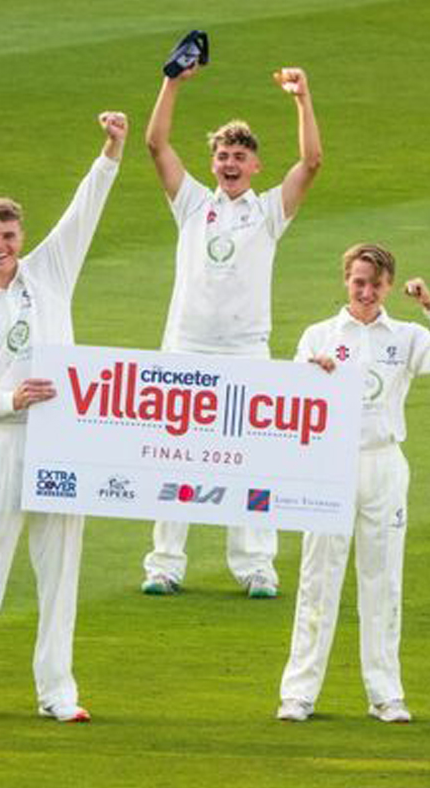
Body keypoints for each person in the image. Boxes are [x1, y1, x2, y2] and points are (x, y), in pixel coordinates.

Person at [0, 113, 126, 723]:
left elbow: (83, 210)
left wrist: (112, 149)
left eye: (9, 235)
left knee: (61, 572)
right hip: (1, 443)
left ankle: (58, 692)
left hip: (62, 443)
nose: (0, 245)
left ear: (21, 237)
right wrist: (8, 400)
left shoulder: (49, 274)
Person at [140, 62, 322, 598]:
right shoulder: (193, 203)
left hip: (246, 352)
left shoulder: (269, 213)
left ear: (256, 166)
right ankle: (165, 563)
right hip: (185, 347)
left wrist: (301, 97)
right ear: (213, 163)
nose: (229, 163)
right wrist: (172, 80)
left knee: (251, 460)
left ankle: (255, 566)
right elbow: (155, 145)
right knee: (174, 456)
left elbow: (312, 162)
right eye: (222, 156)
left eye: (240, 157)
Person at [277, 243, 428, 724]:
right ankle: (298, 693)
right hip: (328, 465)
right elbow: (291, 397)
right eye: (358, 281)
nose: (366, 291)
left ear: (388, 286)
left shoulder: (406, 336)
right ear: (346, 279)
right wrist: (312, 374)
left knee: (382, 581)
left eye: (376, 284)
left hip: (383, 464)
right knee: (318, 580)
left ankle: (386, 694)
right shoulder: (319, 335)